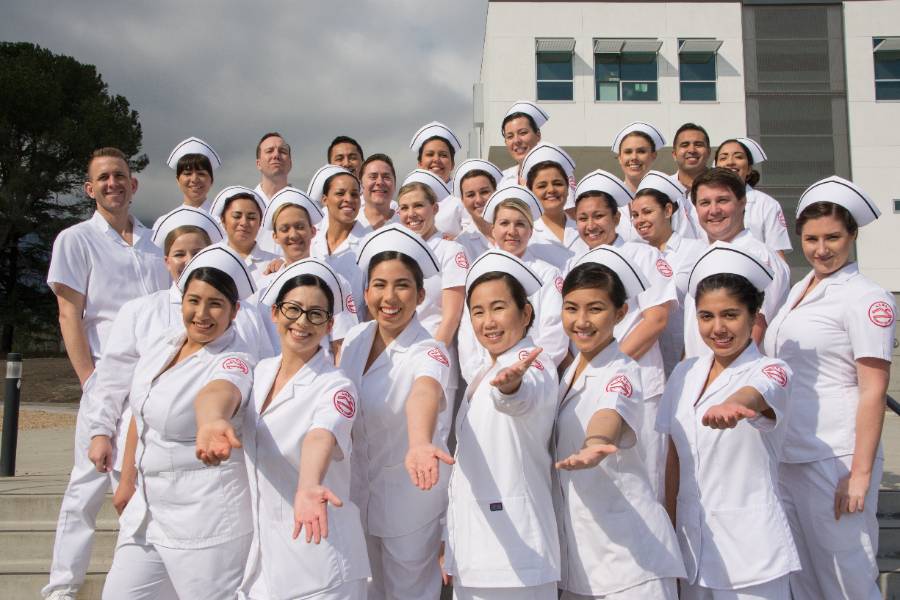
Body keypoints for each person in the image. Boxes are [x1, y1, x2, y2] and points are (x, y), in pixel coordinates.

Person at [89, 245, 259, 599]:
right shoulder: (165, 343)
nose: (201, 314)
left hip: (205, 521)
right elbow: (141, 412)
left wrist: (212, 422)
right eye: (193, 301)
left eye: (215, 303)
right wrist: (127, 481)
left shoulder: (235, 360)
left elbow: (219, 394)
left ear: (234, 310)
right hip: (148, 514)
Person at [43, 147, 169, 600]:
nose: (113, 183)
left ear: (133, 185)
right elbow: (69, 315)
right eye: (103, 178)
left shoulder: (158, 243)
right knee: (85, 489)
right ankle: (63, 586)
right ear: (89, 188)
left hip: (153, 386)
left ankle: (135, 582)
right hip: (106, 381)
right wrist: (89, 380)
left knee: (137, 488)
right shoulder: (75, 240)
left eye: (120, 175)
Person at [764, 176, 895, 600]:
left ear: (852, 235)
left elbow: (873, 389)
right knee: (803, 577)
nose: (822, 249)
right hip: (791, 450)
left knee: (846, 577)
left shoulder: (867, 298)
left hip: (835, 456)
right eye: (812, 238)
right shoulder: (801, 289)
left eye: (833, 237)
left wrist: (858, 475)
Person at [659, 242, 800, 599]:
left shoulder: (772, 369)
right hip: (693, 547)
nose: (717, 328)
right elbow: (674, 458)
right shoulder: (685, 372)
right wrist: (672, 529)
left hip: (751, 553)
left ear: (754, 317)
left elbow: (758, 392)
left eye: (730, 315)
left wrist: (736, 403)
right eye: (706, 316)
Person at [555, 248, 685, 599]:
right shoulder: (570, 371)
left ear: (621, 312)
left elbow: (609, 413)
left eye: (595, 309)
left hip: (631, 564)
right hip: (585, 559)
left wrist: (595, 444)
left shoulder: (622, 370)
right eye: (572, 308)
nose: (581, 321)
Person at [239, 259, 370, 599]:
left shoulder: (336, 387)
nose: (302, 322)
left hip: (322, 562)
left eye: (316, 314)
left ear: (329, 326)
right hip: (266, 558)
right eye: (293, 309)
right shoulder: (261, 372)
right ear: (275, 313)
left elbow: (321, 435)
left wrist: (309, 484)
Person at [338, 226, 453, 600]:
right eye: (379, 285)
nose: (390, 297)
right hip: (359, 498)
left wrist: (419, 442)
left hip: (408, 504)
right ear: (366, 291)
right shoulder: (356, 339)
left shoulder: (429, 350)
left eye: (402, 285)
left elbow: (425, 391)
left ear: (421, 295)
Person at [443, 249, 560, 599]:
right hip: (473, 552)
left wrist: (511, 387)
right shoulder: (484, 372)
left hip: (518, 557)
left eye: (498, 308)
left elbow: (519, 397)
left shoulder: (533, 365)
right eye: (477, 311)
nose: (487, 321)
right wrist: (450, 542)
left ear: (525, 313)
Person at [568, 170, 677, 497]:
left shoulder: (643, 255)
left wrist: (608, 364)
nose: (591, 225)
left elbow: (656, 319)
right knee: (600, 478)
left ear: (617, 217)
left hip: (639, 381)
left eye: (599, 215)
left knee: (645, 478)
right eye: (584, 218)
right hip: (588, 385)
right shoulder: (575, 262)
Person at [458, 185, 567, 384]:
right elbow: (467, 333)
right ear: (493, 229)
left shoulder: (548, 274)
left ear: (531, 230)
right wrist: (483, 376)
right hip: (482, 379)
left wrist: (523, 374)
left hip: (532, 379)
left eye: (520, 224)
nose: (511, 231)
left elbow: (555, 335)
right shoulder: (478, 270)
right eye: (504, 223)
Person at [679, 168, 790, 359]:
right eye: (705, 203)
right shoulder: (704, 256)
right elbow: (692, 331)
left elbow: (757, 326)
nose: (713, 210)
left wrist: (724, 381)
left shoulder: (759, 256)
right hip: (700, 378)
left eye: (722, 200)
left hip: (736, 379)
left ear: (742, 202)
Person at [257, 187, 358, 355]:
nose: (294, 234)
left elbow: (342, 345)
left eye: (300, 226)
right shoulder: (263, 287)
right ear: (275, 237)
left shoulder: (335, 282)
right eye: (285, 229)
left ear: (313, 231)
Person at [630, 171, 708, 375]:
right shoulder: (633, 256)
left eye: (647, 212)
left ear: (667, 210)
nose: (640, 220)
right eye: (635, 215)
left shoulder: (695, 251)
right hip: (647, 364)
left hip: (689, 358)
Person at [396, 175, 468, 347]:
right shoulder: (396, 253)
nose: (411, 214)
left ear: (435, 208)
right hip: (398, 350)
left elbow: (452, 316)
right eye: (404, 208)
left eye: (418, 206)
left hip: (433, 345)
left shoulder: (451, 250)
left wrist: (435, 355)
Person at [308, 165, 370, 317]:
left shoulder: (370, 243)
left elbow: (372, 305)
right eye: (340, 193)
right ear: (324, 199)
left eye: (354, 194)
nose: (348, 199)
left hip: (352, 335)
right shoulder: (310, 239)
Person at [714, 137, 792, 257]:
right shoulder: (698, 203)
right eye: (723, 158)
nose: (730, 162)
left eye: (738, 157)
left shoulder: (767, 204)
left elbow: (778, 258)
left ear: (749, 169)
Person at [520, 143, 580, 270]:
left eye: (557, 183)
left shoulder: (583, 229)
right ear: (531, 192)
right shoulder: (524, 234)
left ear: (568, 189)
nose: (551, 190)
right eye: (542, 186)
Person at [209, 185, 278, 285]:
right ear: (223, 221)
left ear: (259, 223)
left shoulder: (275, 263)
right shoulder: (211, 260)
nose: (244, 223)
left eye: (251, 217)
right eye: (237, 216)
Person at [409, 121, 465, 236]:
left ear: (453, 164)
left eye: (443, 155)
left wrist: (457, 240)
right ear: (419, 163)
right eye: (430, 154)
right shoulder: (408, 197)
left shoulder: (463, 197)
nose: (436, 160)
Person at [453, 159, 502, 261]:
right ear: (462, 201)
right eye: (471, 195)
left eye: (484, 192)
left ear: (496, 192)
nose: (479, 200)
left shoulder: (520, 229)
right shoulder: (460, 244)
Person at [159, 136, 221, 216]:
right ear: (177, 180)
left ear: (211, 180)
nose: (194, 179)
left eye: (201, 174)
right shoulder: (168, 222)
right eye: (188, 174)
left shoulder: (222, 221)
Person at [254, 132, 294, 253]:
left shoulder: (303, 205)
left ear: (290, 163)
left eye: (282, 151)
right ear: (258, 163)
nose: (276, 155)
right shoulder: (246, 205)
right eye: (269, 151)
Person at [358, 153, 398, 230]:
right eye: (373, 177)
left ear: (395, 184)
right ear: (361, 184)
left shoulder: (407, 225)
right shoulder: (348, 225)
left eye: (386, 177)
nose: (380, 182)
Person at [671, 122, 710, 191]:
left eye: (698, 145)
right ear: (674, 154)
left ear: (708, 152)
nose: (692, 150)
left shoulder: (723, 184)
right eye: (685, 145)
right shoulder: (664, 188)